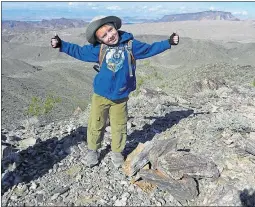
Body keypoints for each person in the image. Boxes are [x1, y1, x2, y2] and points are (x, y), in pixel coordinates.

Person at [51, 15, 179, 168]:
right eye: (104, 35)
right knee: (96, 123)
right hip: (101, 95)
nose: (110, 36)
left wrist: (168, 42)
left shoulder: (131, 45)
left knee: (119, 125)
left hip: (121, 96)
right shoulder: (99, 49)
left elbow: (149, 49)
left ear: (115, 27)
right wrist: (61, 44)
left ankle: (117, 151)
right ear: (100, 40)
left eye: (110, 30)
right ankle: (93, 150)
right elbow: (78, 51)